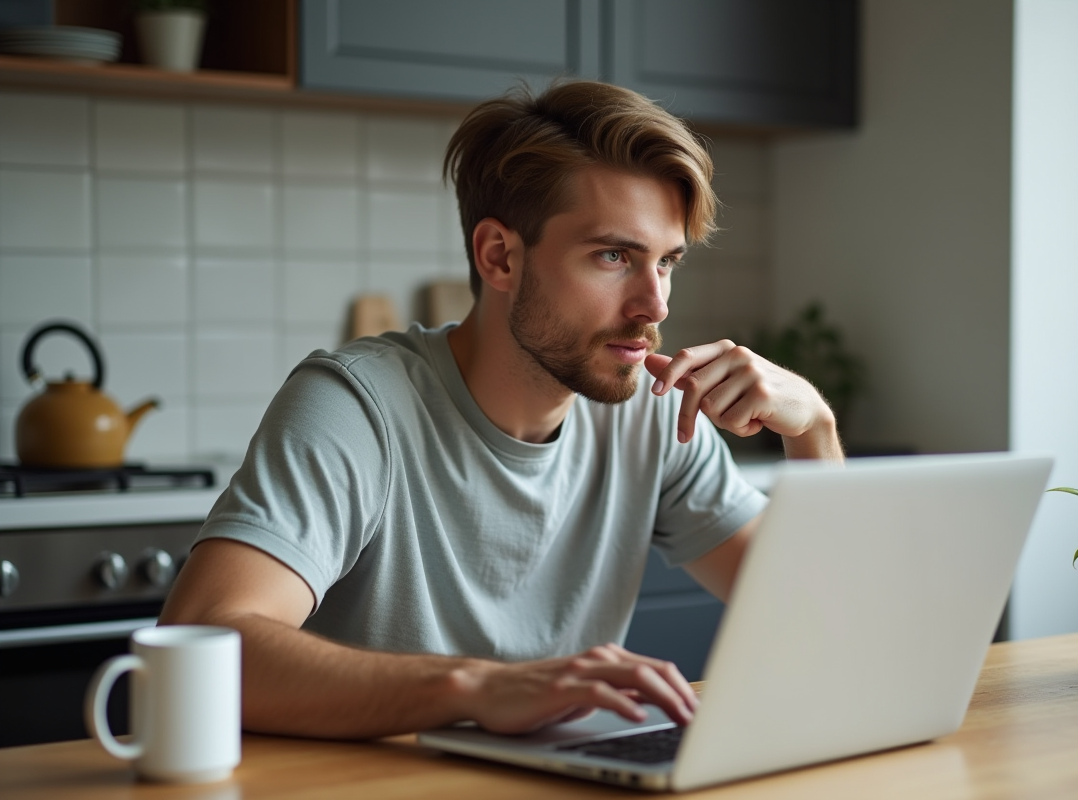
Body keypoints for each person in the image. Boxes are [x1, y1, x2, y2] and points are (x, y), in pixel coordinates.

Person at [159, 80, 843, 740]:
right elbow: (201, 646)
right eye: (613, 256)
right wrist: (477, 689)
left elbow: (821, 616)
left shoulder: (654, 413)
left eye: (666, 263)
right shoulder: (357, 407)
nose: (655, 306)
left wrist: (814, 426)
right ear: (499, 256)